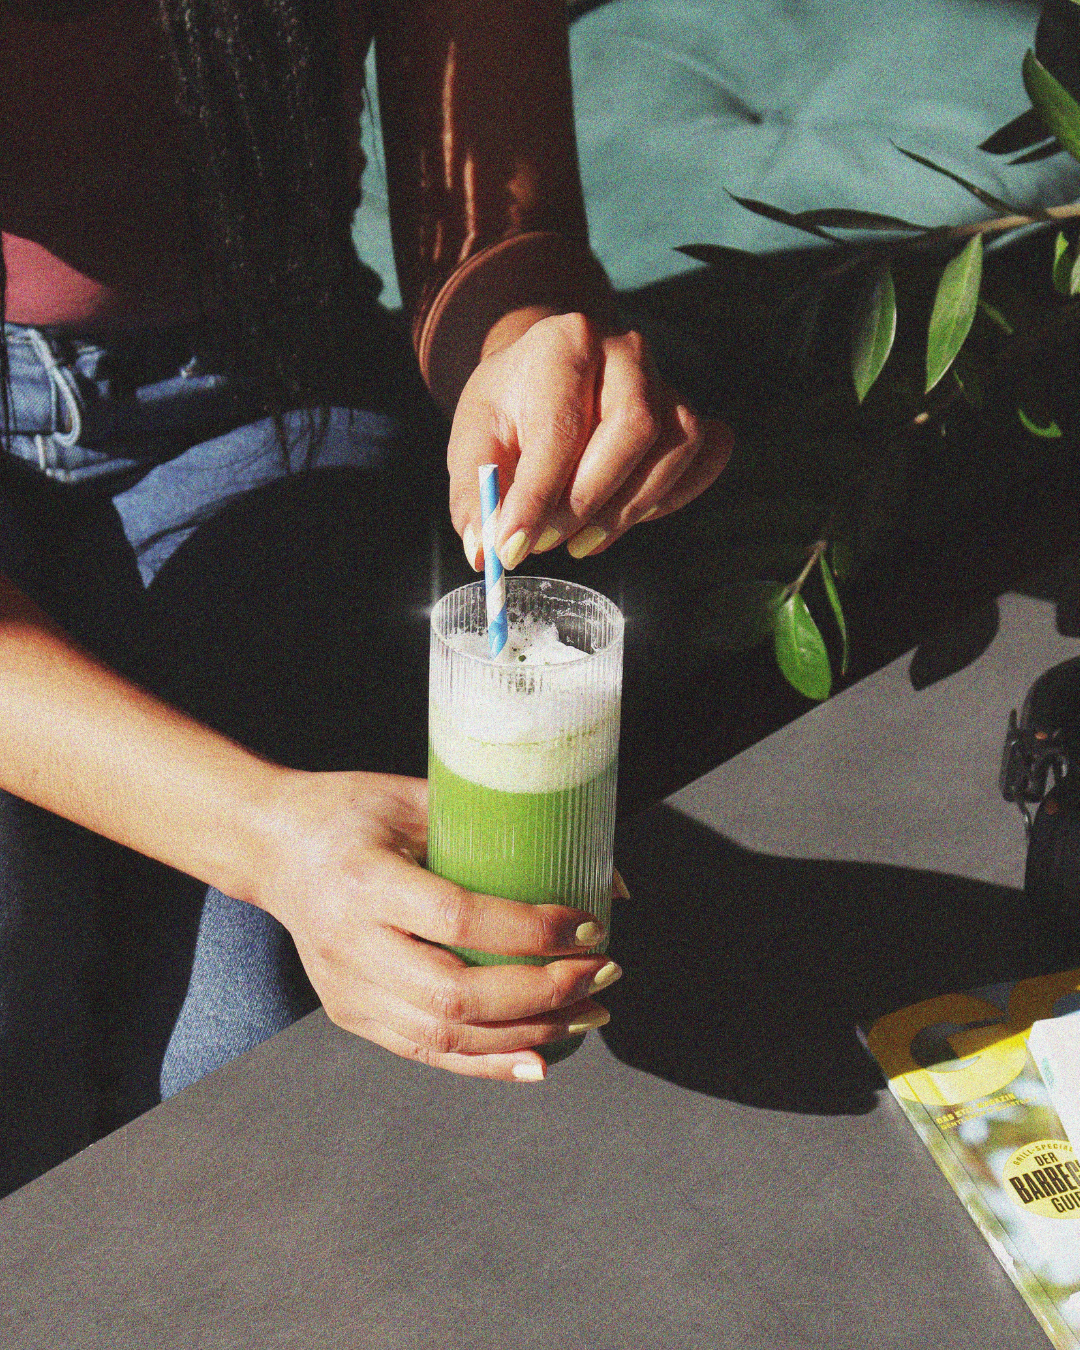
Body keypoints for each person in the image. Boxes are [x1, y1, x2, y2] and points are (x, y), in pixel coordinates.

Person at [0, 0, 732, 1194]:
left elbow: (492, 218)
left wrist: (525, 341)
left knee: (249, 1047)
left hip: (262, 375)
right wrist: (264, 834)